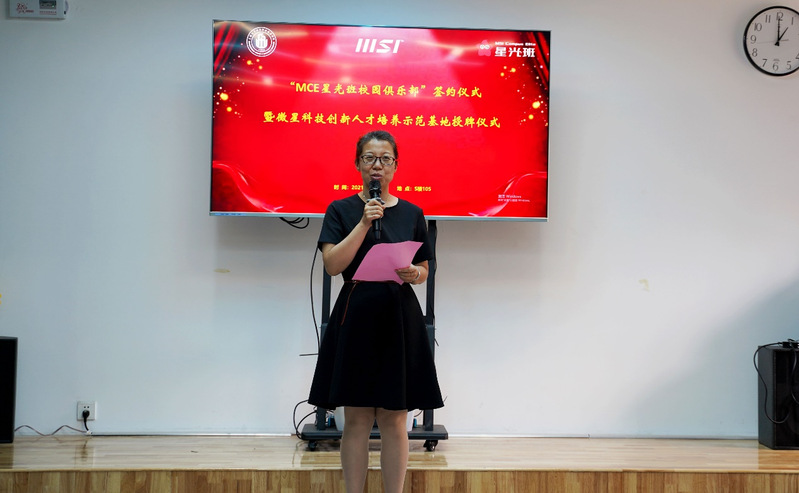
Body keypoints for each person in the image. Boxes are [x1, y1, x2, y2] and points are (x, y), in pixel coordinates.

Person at [308, 130, 444, 493]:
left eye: (385, 159)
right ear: (358, 164)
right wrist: (364, 222)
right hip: (356, 315)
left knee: (395, 418)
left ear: (396, 166)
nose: (377, 166)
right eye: (369, 158)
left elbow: (424, 268)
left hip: (399, 318)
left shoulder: (413, 212)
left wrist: (415, 273)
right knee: (356, 417)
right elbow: (333, 265)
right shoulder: (340, 210)